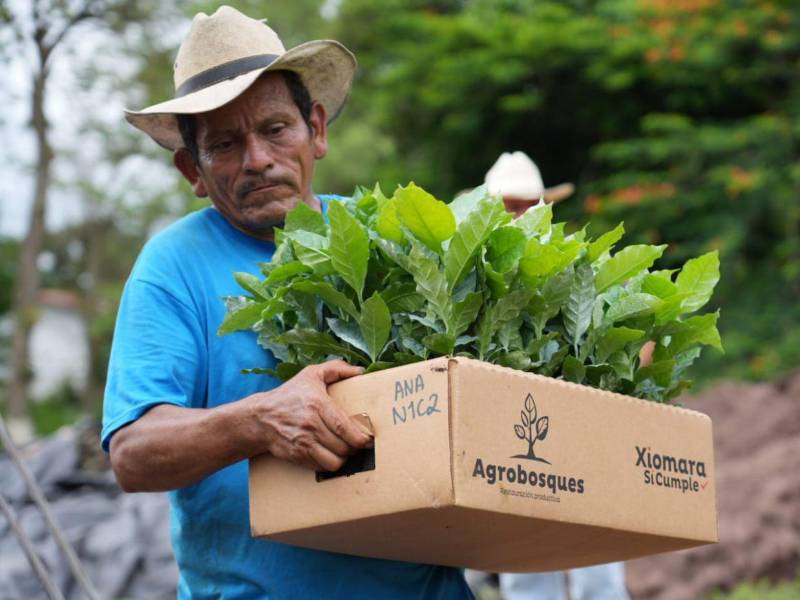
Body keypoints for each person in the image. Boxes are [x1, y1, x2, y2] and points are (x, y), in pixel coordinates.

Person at [101, 6, 472, 599]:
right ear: (190, 169)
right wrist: (259, 420)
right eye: (224, 143)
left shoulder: (392, 234)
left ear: (316, 130)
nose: (257, 158)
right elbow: (133, 452)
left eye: (275, 129)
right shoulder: (171, 268)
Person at [473, 151, 631, 600]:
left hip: (580, 426)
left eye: (529, 204)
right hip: (509, 435)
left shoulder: (576, 259)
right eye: (509, 205)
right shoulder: (471, 270)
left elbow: (629, 322)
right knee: (525, 565)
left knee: (597, 556)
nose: (520, 214)